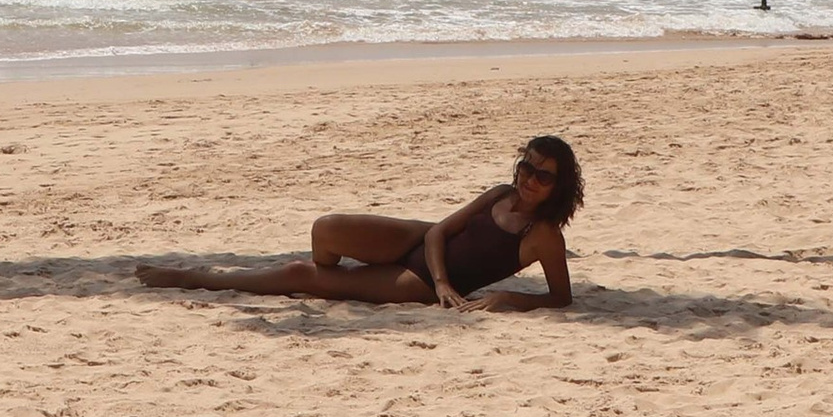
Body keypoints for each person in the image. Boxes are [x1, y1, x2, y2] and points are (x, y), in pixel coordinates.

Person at [136, 135, 583, 308]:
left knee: (301, 276)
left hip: (418, 282)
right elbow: (440, 231)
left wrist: (509, 298)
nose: (529, 179)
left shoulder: (543, 235)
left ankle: (189, 277)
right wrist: (448, 279)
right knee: (325, 228)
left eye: (543, 175)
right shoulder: (500, 194)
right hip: (421, 242)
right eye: (526, 167)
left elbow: (561, 298)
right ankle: (328, 274)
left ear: (557, 187)